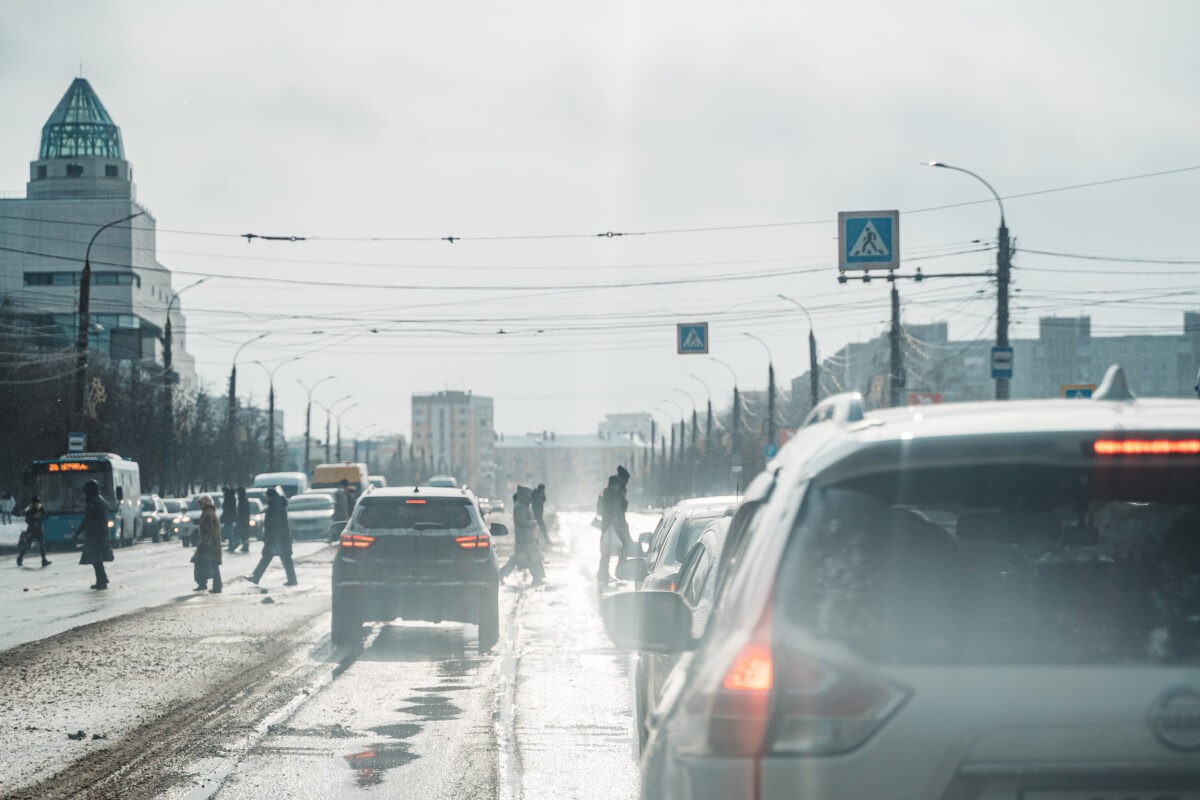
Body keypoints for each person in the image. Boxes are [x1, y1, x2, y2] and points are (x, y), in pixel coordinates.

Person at [249, 486, 297, 586]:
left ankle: (256, 577)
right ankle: (292, 580)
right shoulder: (278, 505)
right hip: (281, 537)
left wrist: (269, 537)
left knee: (268, 557)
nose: (266, 498)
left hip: (276, 538)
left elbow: (273, 525)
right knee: (284, 559)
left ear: (270, 496)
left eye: (266, 496)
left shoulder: (274, 506)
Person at [499, 485, 545, 586]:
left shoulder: (522, 506)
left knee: (530, 558)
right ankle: (538, 577)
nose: (530, 499)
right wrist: (533, 523)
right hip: (524, 540)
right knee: (528, 558)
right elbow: (521, 521)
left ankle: (538, 577)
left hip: (527, 539)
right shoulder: (520, 508)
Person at [72, 479, 112, 590]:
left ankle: (101, 581)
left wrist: (77, 533)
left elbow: (87, 520)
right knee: (97, 559)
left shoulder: (93, 502)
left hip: (95, 535)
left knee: (96, 559)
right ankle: (102, 579)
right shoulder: (101, 501)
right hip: (101, 533)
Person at [596, 474, 631, 582]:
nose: (617, 487)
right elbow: (600, 511)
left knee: (624, 548)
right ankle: (603, 574)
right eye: (615, 485)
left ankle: (620, 572)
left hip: (619, 525)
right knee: (607, 550)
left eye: (618, 485)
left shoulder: (619, 494)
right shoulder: (605, 495)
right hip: (609, 527)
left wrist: (623, 498)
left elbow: (624, 508)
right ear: (611, 485)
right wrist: (610, 518)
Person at [192, 494, 223, 593]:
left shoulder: (208, 514)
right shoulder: (210, 513)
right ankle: (211, 585)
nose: (200, 506)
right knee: (211, 564)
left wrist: (205, 542)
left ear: (205, 504)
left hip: (209, 545)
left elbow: (210, 530)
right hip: (213, 544)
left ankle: (209, 586)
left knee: (205, 564)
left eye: (201, 503)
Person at [17, 495, 50, 568]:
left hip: (39, 530)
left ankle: (44, 560)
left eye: (38, 502)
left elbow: (45, 515)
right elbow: (27, 520)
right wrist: (33, 518)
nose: (38, 504)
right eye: (36, 502)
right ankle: (20, 559)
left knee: (42, 545)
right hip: (31, 530)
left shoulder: (41, 508)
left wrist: (41, 517)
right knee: (27, 545)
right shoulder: (29, 510)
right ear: (33, 503)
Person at [234, 486, 251, 553]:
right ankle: (245, 545)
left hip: (243, 519)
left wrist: (243, 519)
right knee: (244, 533)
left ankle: (245, 545)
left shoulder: (243, 500)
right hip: (244, 519)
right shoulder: (243, 499)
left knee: (243, 533)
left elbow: (244, 511)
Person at [222, 485, 238, 552]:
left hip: (229, 517)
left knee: (229, 532)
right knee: (229, 532)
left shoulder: (229, 498)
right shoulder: (231, 497)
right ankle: (231, 545)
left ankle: (232, 545)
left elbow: (227, 508)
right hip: (230, 517)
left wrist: (224, 515)